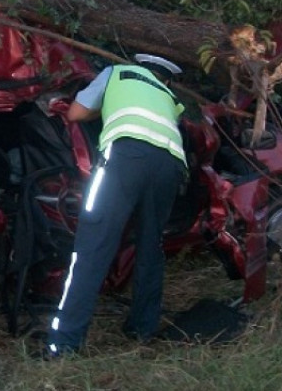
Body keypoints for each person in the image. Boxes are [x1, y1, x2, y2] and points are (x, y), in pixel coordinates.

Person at [42, 53, 188, 358]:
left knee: (93, 246)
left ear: (138, 65)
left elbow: (76, 114)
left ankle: (64, 344)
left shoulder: (116, 73)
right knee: (151, 247)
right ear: (167, 79)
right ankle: (142, 329)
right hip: (170, 167)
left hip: (124, 158)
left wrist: (101, 111)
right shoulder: (170, 97)